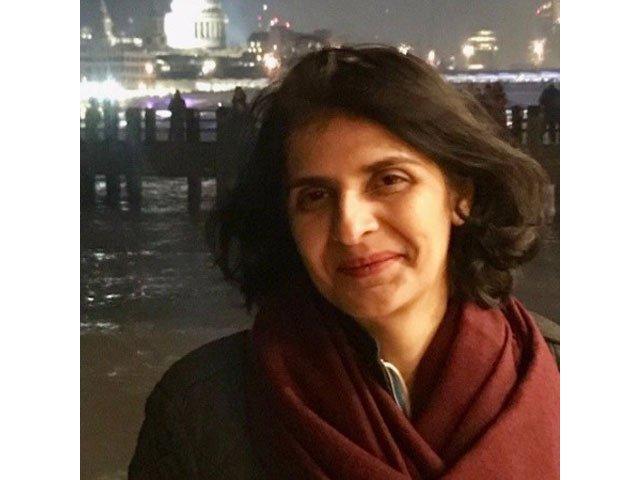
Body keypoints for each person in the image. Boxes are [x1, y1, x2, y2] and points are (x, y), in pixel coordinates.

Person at [129, 46, 559, 479]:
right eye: (315, 197)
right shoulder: (200, 416)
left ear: (461, 194)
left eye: (389, 180)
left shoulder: (558, 376)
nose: (350, 228)